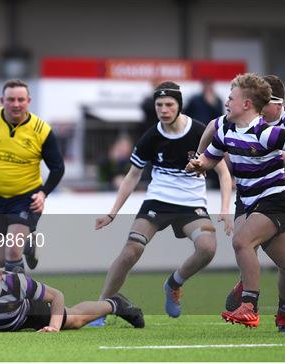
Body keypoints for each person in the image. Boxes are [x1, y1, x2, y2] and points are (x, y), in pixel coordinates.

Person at [187, 73, 285, 328]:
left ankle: (249, 306)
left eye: (230, 98)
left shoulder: (266, 133)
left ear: (246, 104)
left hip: (276, 200)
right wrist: (198, 164)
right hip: (251, 200)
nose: (226, 102)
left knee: (242, 241)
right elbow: (211, 156)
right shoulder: (226, 128)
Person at [94, 81, 233, 322]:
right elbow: (132, 176)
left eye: (169, 104)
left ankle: (173, 283)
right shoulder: (150, 136)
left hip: (191, 204)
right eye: (159, 105)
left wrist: (224, 209)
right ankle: (100, 308)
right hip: (158, 201)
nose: (164, 110)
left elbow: (223, 172)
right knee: (130, 251)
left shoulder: (199, 131)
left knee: (208, 249)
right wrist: (112, 213)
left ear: (179, 105)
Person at [219, 75, 285, 332]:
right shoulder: (242, 121)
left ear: (278, 105)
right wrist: (203, 159)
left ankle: (282, 312)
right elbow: (215, 130)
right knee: (243, 241)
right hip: (250, 197)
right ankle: (249, 294)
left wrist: (265, 145)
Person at [0, 79, 65, 273]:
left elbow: (58, 167)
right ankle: (28, 245)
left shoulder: (41, 130)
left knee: (13, 253)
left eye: (21, 99)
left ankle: (21, 300)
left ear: (28, 101)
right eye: (11, 99)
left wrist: (43, 194)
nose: (16, 104)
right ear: (2, 100)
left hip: (26, 197)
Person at [0, 254, 144, 333]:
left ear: (0, 275)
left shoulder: (16, 282)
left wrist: (53, 327)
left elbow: (57, 296)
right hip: (3, 323)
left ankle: (115, 304)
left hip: (28, 312)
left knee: (74, 320)